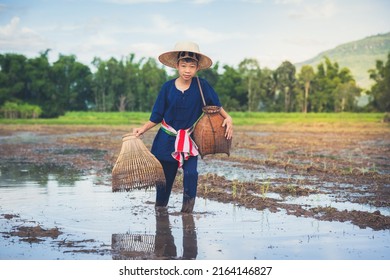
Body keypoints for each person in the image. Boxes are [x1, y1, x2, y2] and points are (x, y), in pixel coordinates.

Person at [133, 41, 233, 213]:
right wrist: (142, 129)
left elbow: (217, 106)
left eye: (192, 66)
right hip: (166, 140)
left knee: (191, 174)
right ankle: (160, 211)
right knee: (164, 182)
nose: (188, 70)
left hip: (189, 140)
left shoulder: (202, 86)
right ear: (177, 66)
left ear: (197, 68)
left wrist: (229, 118)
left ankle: (187, 214)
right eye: (184, 65)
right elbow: (157, 116)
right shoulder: (167, 88)